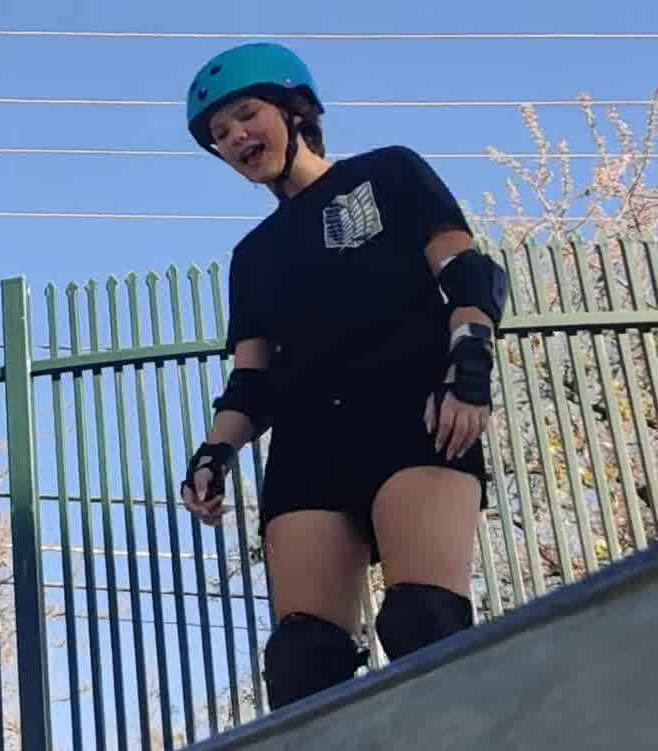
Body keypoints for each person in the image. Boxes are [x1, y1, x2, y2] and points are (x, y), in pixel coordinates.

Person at [176, 42, 507, 708]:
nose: (235, 137)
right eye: (220, 133)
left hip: (410, 413)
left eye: (247, 115)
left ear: (296, 111)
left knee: (422, 620)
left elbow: (467, 272)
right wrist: (214, 453)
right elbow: (252, 379)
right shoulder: (253, 256)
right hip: (309, 443)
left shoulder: (388, 173)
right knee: (302, 663)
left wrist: (469, 367)